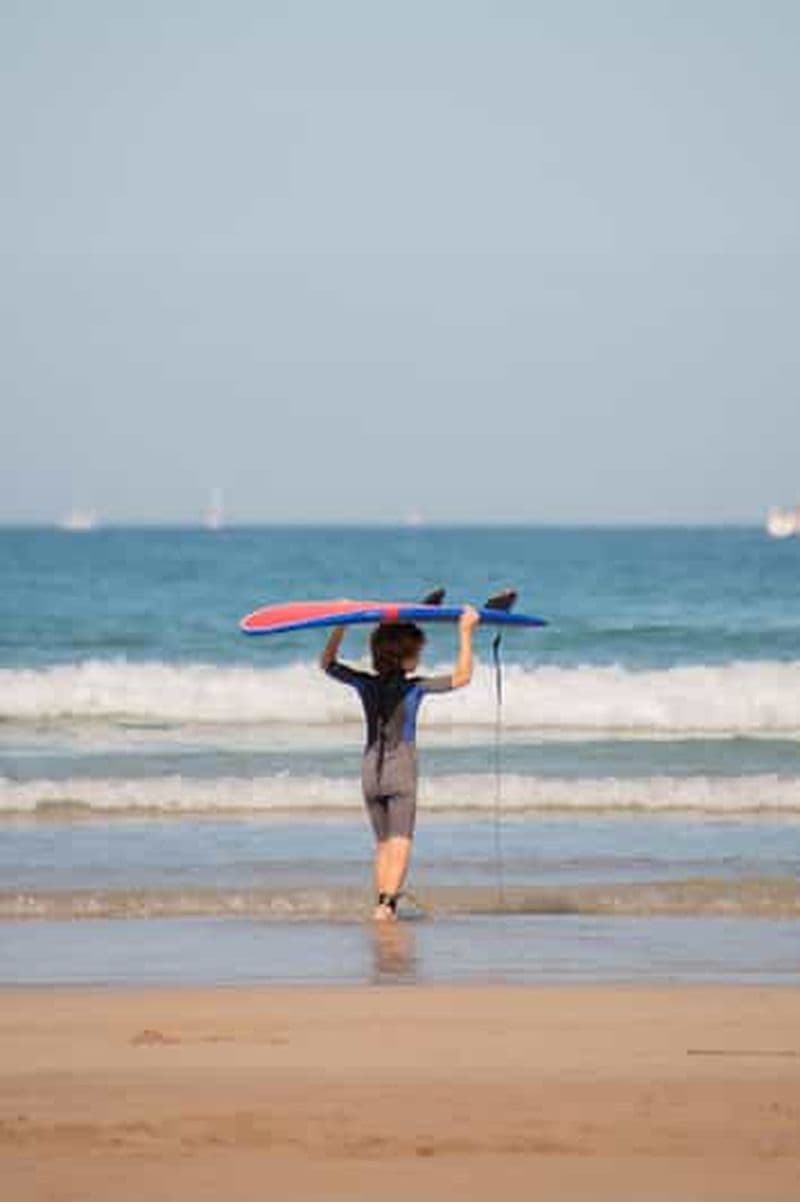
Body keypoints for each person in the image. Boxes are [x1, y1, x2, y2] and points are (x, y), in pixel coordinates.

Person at [321, 607, 480, 922]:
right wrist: (466, 631)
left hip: (370, 771)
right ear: (408, 658)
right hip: (401, 770)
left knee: (382, 843)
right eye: (417, 653)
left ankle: (382, 903)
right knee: (401, 840)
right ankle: (387, 905)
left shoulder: (365, 684)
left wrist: (341, 626)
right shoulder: (414, 687)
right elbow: (462, 677)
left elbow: (327, 664)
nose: (419, 659)